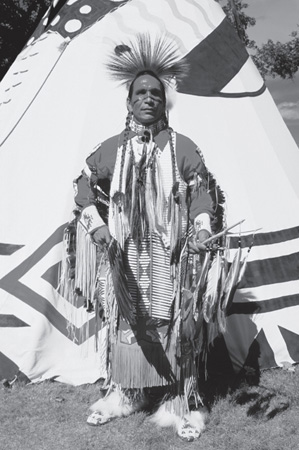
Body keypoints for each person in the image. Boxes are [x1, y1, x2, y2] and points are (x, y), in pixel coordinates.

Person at [62, 34, 225, 442]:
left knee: (175, 321)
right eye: (141, 92)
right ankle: (126, 392)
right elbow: (82, 185)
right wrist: (96, 226)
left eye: (156, 92)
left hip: (171, 253)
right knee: (127, 322)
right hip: (126, 253)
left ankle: (179, 401)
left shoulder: (182, 147)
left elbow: (202, 191)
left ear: (164, 102)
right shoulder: (112, 149)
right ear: (129, 101)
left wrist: (202, 230)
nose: (149, 98)